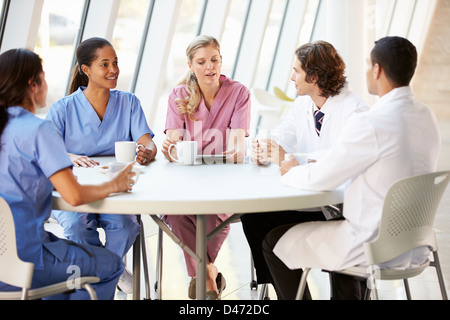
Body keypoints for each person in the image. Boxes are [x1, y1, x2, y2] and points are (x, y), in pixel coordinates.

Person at [261, 36, 440, 300]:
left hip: (373, 243)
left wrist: (290, 168)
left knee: (273, 242)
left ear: (377, 70)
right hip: (414, 240)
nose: (366, 70)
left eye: (368, 64)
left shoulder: (372, 122)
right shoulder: (426, 116)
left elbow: (324, 177)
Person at [0, 48, 138, 299]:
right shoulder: (38, 130)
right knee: (111, 266)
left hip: (4, 266)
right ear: (33, 85)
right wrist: (113, 185)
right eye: (43, 77)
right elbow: (73, 196)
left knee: (68, 282)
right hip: (29, 262)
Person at [240, 40, 368, 299]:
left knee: (271, 232)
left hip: (340, 209)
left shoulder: (355, 110)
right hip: (310, 199)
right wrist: (264, 147)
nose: (291, 77)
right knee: (254, 217)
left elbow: (337, 158)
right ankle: (285, 291)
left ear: (314, 76)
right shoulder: (303, 103)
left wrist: (286, 158)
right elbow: (283, 134)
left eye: (296, 71)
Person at [45, 37, 157, 294]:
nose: (113, 70)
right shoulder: (62, 109)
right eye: (104, 64)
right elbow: (47, 151)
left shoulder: (128, 103)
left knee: (126, 226)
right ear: (86, 69)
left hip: (115, 188)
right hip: (73, 189)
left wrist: (146, 153)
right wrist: (69, 155)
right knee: (76, 226)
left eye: (115, 63)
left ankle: (108, 269)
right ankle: (112, 270)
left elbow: (148, 143)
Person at [161, 35, 251, 300]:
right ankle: (208, 272)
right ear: (191, 65)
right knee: (175, 214)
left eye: (214, 60)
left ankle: (203, 277)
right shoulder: (179, 95)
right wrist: (170, 148)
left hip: (226, 180)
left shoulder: (238, 92)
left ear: (221, 60)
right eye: (202, 62)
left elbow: (237, 144)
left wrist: (236, 150)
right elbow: (174, 142)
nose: (209, 67)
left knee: (215, 216)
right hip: (188, 180)